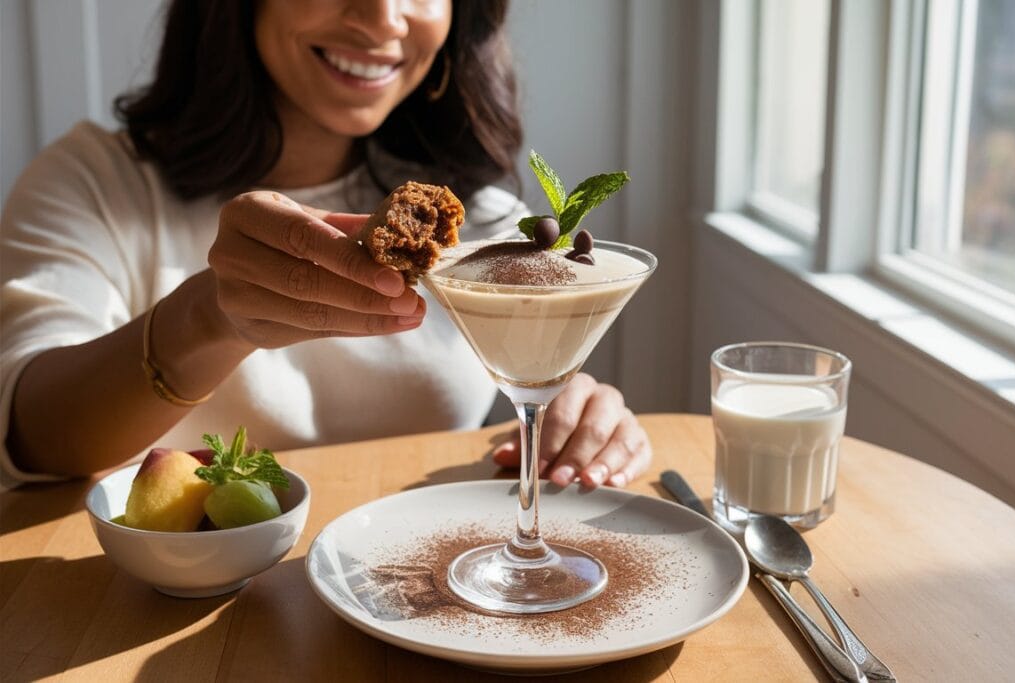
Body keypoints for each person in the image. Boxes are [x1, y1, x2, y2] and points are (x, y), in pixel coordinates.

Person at [0, 0, 650, 491]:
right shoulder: (94, 183)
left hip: (406, 601)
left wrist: (569, 416)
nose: (382, 19)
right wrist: (204, 321)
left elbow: (504, 429)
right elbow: (28, 430)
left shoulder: (478, 219)